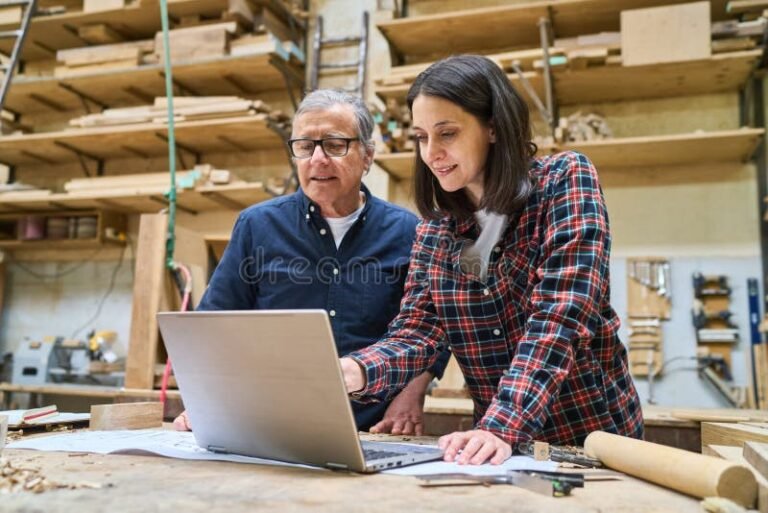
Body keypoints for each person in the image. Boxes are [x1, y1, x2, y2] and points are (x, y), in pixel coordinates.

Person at [340, 55, 644, 465]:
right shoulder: (434, 233)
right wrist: (356, 370)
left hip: (591, 437)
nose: (432, 153)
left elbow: (562, 317)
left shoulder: (564, 181)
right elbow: (418, 333)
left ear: (494, 127)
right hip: (499, 449)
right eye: (421, 137)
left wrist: (503, 423)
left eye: (447, 133)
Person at [173, 89, 450, 434]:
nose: (317, 159)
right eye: (305, 146)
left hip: (375, 428)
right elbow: (213, 327)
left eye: (335, 145)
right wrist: (205, 401)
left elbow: (432, 331)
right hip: (269, 424)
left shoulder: (410, 233)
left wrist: (411, 395)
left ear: (367, 156)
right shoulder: (257, 226)